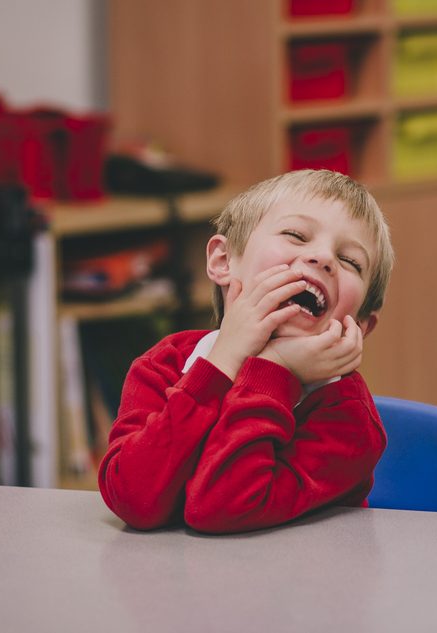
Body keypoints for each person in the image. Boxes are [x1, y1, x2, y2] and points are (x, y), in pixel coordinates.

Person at [98, 169, 394, 534]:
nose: (322, 257)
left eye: (350, 261)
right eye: (296, 235)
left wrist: (274, 370)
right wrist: (221, 363)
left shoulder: (350, 421)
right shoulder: (166, 364)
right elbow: (133, 499)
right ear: (223, 261)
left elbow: (221, 508)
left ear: (360, 324)